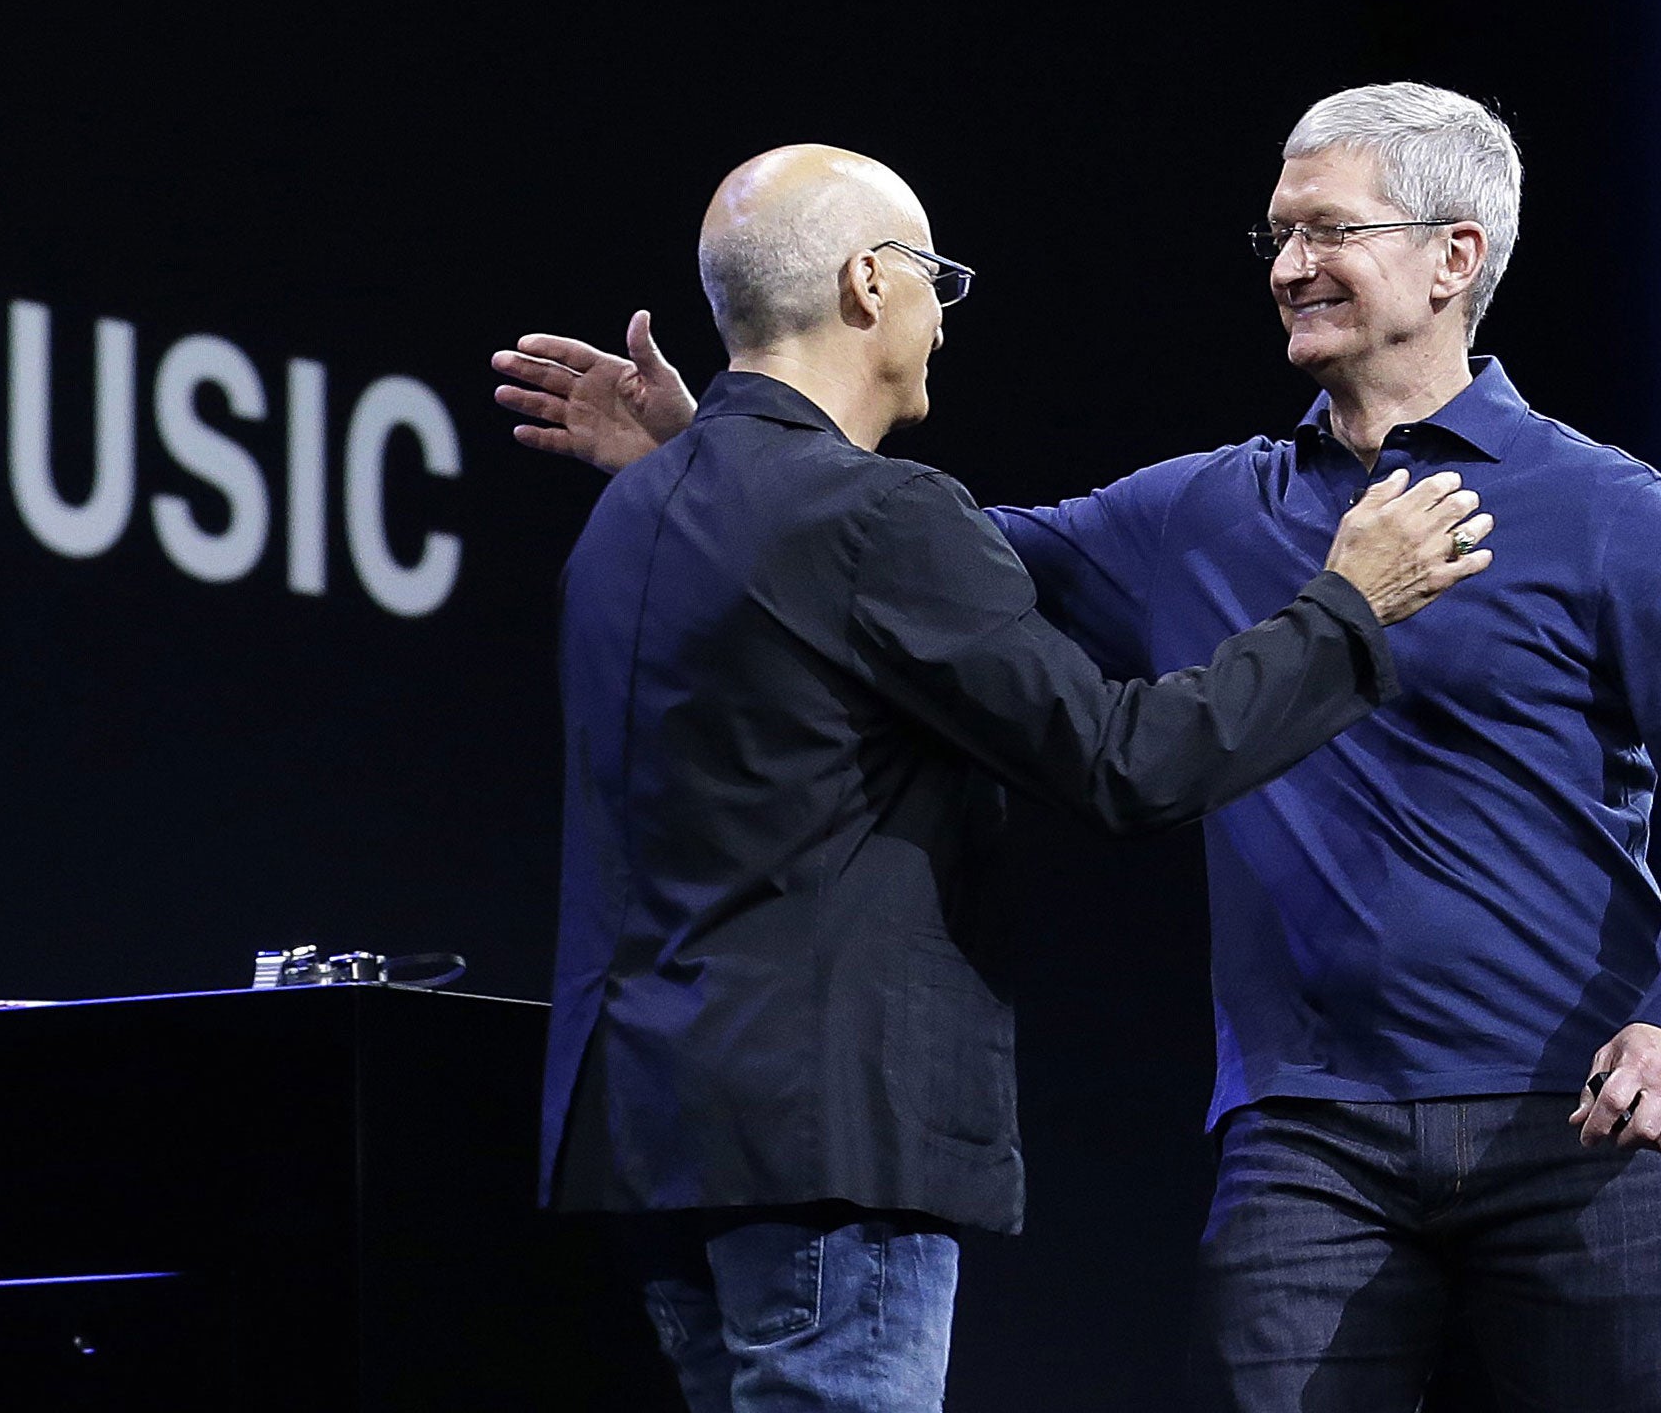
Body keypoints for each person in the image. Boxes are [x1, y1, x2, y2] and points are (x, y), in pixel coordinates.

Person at [497, 84, 1661, 1410]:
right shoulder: (1200, 512)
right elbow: (869, 556)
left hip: (1576, 1122)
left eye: (1325, 230)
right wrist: (717, 460)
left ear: (1456, 254)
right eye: (1274, 236)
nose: (1285, 268)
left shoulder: (1609, 514)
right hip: (1304, 1144)